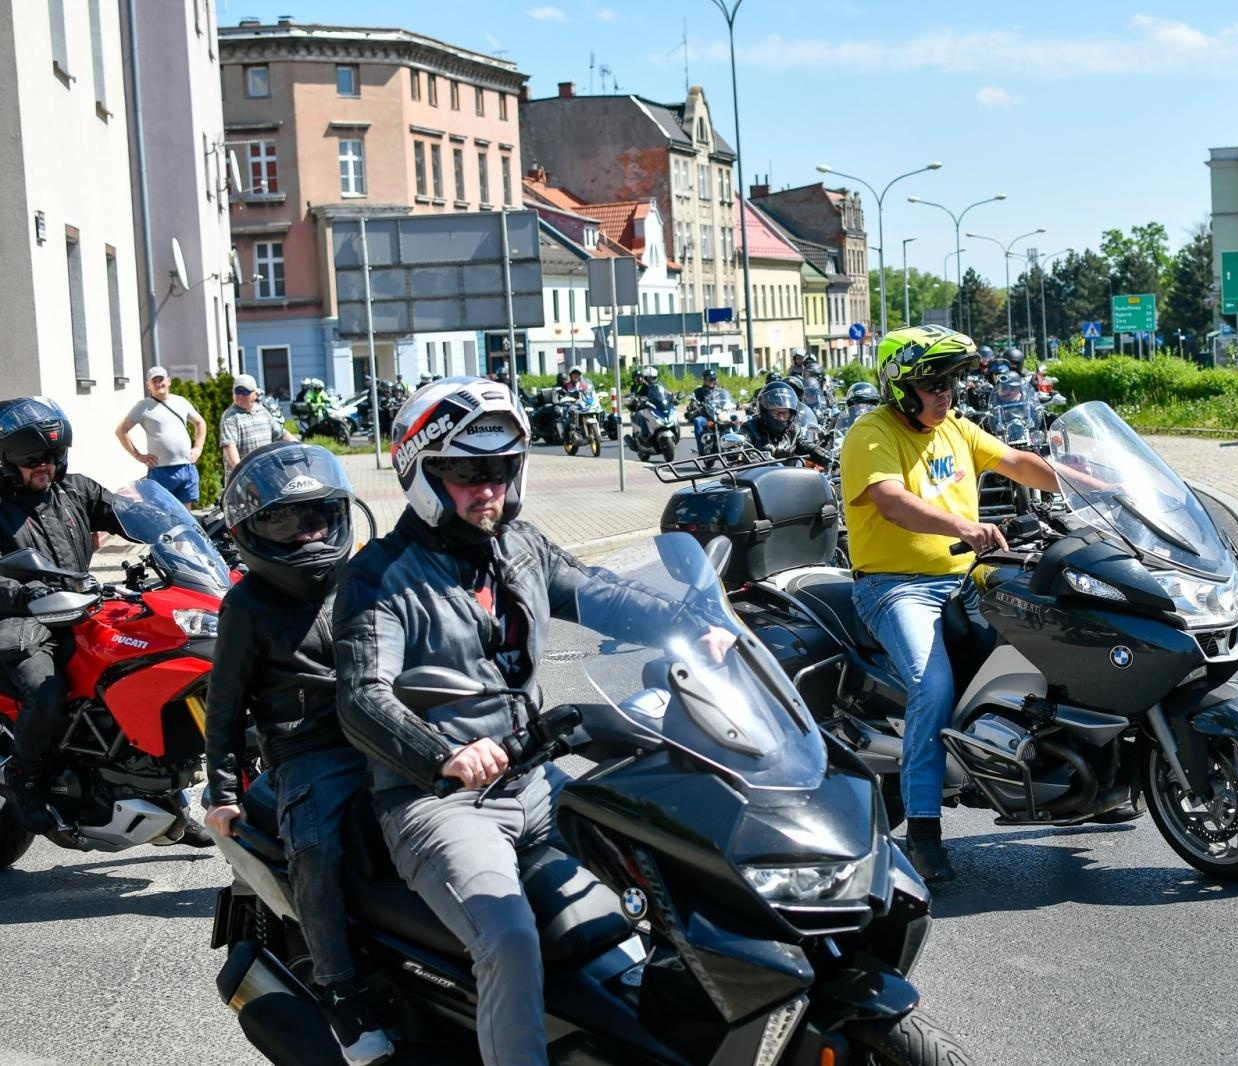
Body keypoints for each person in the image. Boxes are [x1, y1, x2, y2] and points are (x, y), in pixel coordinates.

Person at [333, 377, 728, 1066]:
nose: (487, 489)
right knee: (508, 936)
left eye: (500, 470)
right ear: (421, 473)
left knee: (676, 862)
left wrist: (699, 624)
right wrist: (440, 756)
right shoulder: (380, 577)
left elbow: (602, 593)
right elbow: (362, 696)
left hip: (535, 779)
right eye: (464, 473)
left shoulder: (520, 545)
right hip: (442, 801)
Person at [838, 326, 1068, 883]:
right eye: (933, 383)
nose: (947, 392)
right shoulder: (872, 434)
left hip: (968, 576)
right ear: (901, 387)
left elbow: (1017, 462)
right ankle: (922, 829)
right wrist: (968, 525)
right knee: (932, 684)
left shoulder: (959, 429)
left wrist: (1097, 485)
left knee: (1058, 634)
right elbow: (893, 503)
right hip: (896, 587)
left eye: (952, 381)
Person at [202, 442, 393, 1066]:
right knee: (316, 847)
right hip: (307, 750)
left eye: (315, 517)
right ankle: (341, 993)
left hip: (385, 730)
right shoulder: (247, 605)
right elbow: (224, 706)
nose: (306, 534)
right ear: (253, 532)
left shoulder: (363, 576)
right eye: (284, 521)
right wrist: (224, 794)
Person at [0, 398, 141, 834]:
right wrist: (26, 592)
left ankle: (156, 784)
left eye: (52, 455)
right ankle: (24, 775)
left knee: (138, 668)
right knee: (46, 690)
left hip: (80, 612)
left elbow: (134, 515)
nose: (46, 465)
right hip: (21, 624)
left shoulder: (76, 489)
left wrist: (193, 531)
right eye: (33, 459)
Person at [114, 366, 207, 506]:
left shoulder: (181, 402)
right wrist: (138, 456)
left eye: (161, 379)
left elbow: (200, 423)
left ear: (168, 381)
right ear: (148, 385)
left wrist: (198, 448)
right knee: (164, 513)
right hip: (161, 470)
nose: (159, 384)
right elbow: (121, 431)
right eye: (154, 381)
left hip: (186, 466)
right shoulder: (143, 406)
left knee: (186, 513)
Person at [220, 373, 296, 478]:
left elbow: (281, 434)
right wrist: (242, 471)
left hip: (266, 476)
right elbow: (229, 447)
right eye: (237, 391)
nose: (240, 395)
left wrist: (300, 447)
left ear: (254, 394)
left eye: (244, 391)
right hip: (242, 481)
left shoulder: (263, 411)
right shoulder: (230, 417)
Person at [743, 380, 831, 465]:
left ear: (792, 414)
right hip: (759, 478)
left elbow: (807, 447)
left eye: (785, 413)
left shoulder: (794, 431)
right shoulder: (750, 428)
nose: (781, 418)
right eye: (776, 413)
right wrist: (753, 458)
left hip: (788, 478)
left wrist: (828, 458)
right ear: (765, 412)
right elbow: (740, 447)